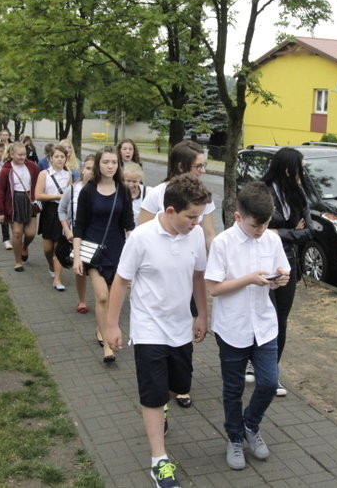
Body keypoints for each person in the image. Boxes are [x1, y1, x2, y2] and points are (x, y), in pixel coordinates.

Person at [104, 174, 211, 488]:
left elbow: (199, 277)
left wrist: (202, 315)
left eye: (200, 216)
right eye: (191, 216)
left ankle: (163, 404)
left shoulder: (194, 236)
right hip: (149, 329)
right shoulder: (141, 238)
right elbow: (121, 281)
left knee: (178, 385)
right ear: (169, 211)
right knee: (152, 395)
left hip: (181, 328)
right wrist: (111, 325)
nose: (197, 222)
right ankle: (159, 461)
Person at [205, 181, 290, 471]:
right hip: (232, 327)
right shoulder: (223, 243)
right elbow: (214, 288)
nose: (261, 230)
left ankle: (250, 425)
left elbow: (282, 271)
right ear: (238, 216)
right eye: (256, 225)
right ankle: (234, 437)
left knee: (267, 382)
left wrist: (281, 278)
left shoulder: (272, 240)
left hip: (264, 325)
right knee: (233, 387)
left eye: (266, 224)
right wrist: (249, 279)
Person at [138, 140, 216, 408]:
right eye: (199, 165)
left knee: (186, 328)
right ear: (182, 166)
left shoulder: (204, 196)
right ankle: (163, 398)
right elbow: (143, 233)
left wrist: (215, 263)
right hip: (160, 279)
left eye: (205, 165)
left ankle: (178, 383)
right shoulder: (157, 193)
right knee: (159, 340)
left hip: (189, 273)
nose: (203, 170)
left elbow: (208, 232)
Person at [260, 147, 314, 396]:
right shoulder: (262, 191)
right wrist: (291, 229)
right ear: (286, 169)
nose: (301, 173)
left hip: (288, 263)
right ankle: (253, 361)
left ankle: (272, 371)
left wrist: (278, 232)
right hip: (260, 264)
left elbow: (309, 231)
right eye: (298, 168)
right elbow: (256, 230)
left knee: (280, 319)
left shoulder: (299, 194)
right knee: (261, 316)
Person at [72, 146, 134, 363]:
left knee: (112, 297)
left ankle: (103, 328)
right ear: (98, 164)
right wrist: (78, 256)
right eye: (105, 162)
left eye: (114, 162)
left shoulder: (123, 190)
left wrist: (135, 257)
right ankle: (107, 345)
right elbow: (78, 226)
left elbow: (129, 225)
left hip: (118, 250)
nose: (110, 166)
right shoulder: (88, 190)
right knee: (102, 296)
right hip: (93, 251)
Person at [0, 142, 40, 272]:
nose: (22, 157)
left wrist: (38, 198)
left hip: (29, 201)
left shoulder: (32, 167)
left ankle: (24, 247)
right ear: (12, 154)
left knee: (30, 233)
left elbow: (38, 184)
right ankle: (18, 261)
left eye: (24, 154)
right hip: (13, 203)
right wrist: (0, 211)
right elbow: (0, 192)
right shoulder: (6, 170)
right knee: (17, 233)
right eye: (19, 155)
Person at [59, 154, 95, 314]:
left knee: (98, 270)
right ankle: (82, 300)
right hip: (77, 236)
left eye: (94, 169)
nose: (91, 172)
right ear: (82, 169)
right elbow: (61, 210)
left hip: (97, 236)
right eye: (88, 168)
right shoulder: (73, 189)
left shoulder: (104, 190)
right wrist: (67, 230)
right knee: (80, 269)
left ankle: (103, 297)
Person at [35, 145, 72, 289]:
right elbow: (38, 194)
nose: (60, 159)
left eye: (62, 157)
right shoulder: (44, 174)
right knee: (48, 249)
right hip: (49, 211)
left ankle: (57, 279)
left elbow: (70, 194)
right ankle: (51, 265)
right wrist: (57, 196)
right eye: (56, 156)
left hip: (62, 212)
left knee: (59, 247)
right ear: (51, 158)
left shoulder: (68, 174)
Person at [123, 162, 151, 227]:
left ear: (140, 180)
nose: (131, 185)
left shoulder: (148, 192)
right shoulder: (118, 193)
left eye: (134, 181)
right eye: (128, 181)